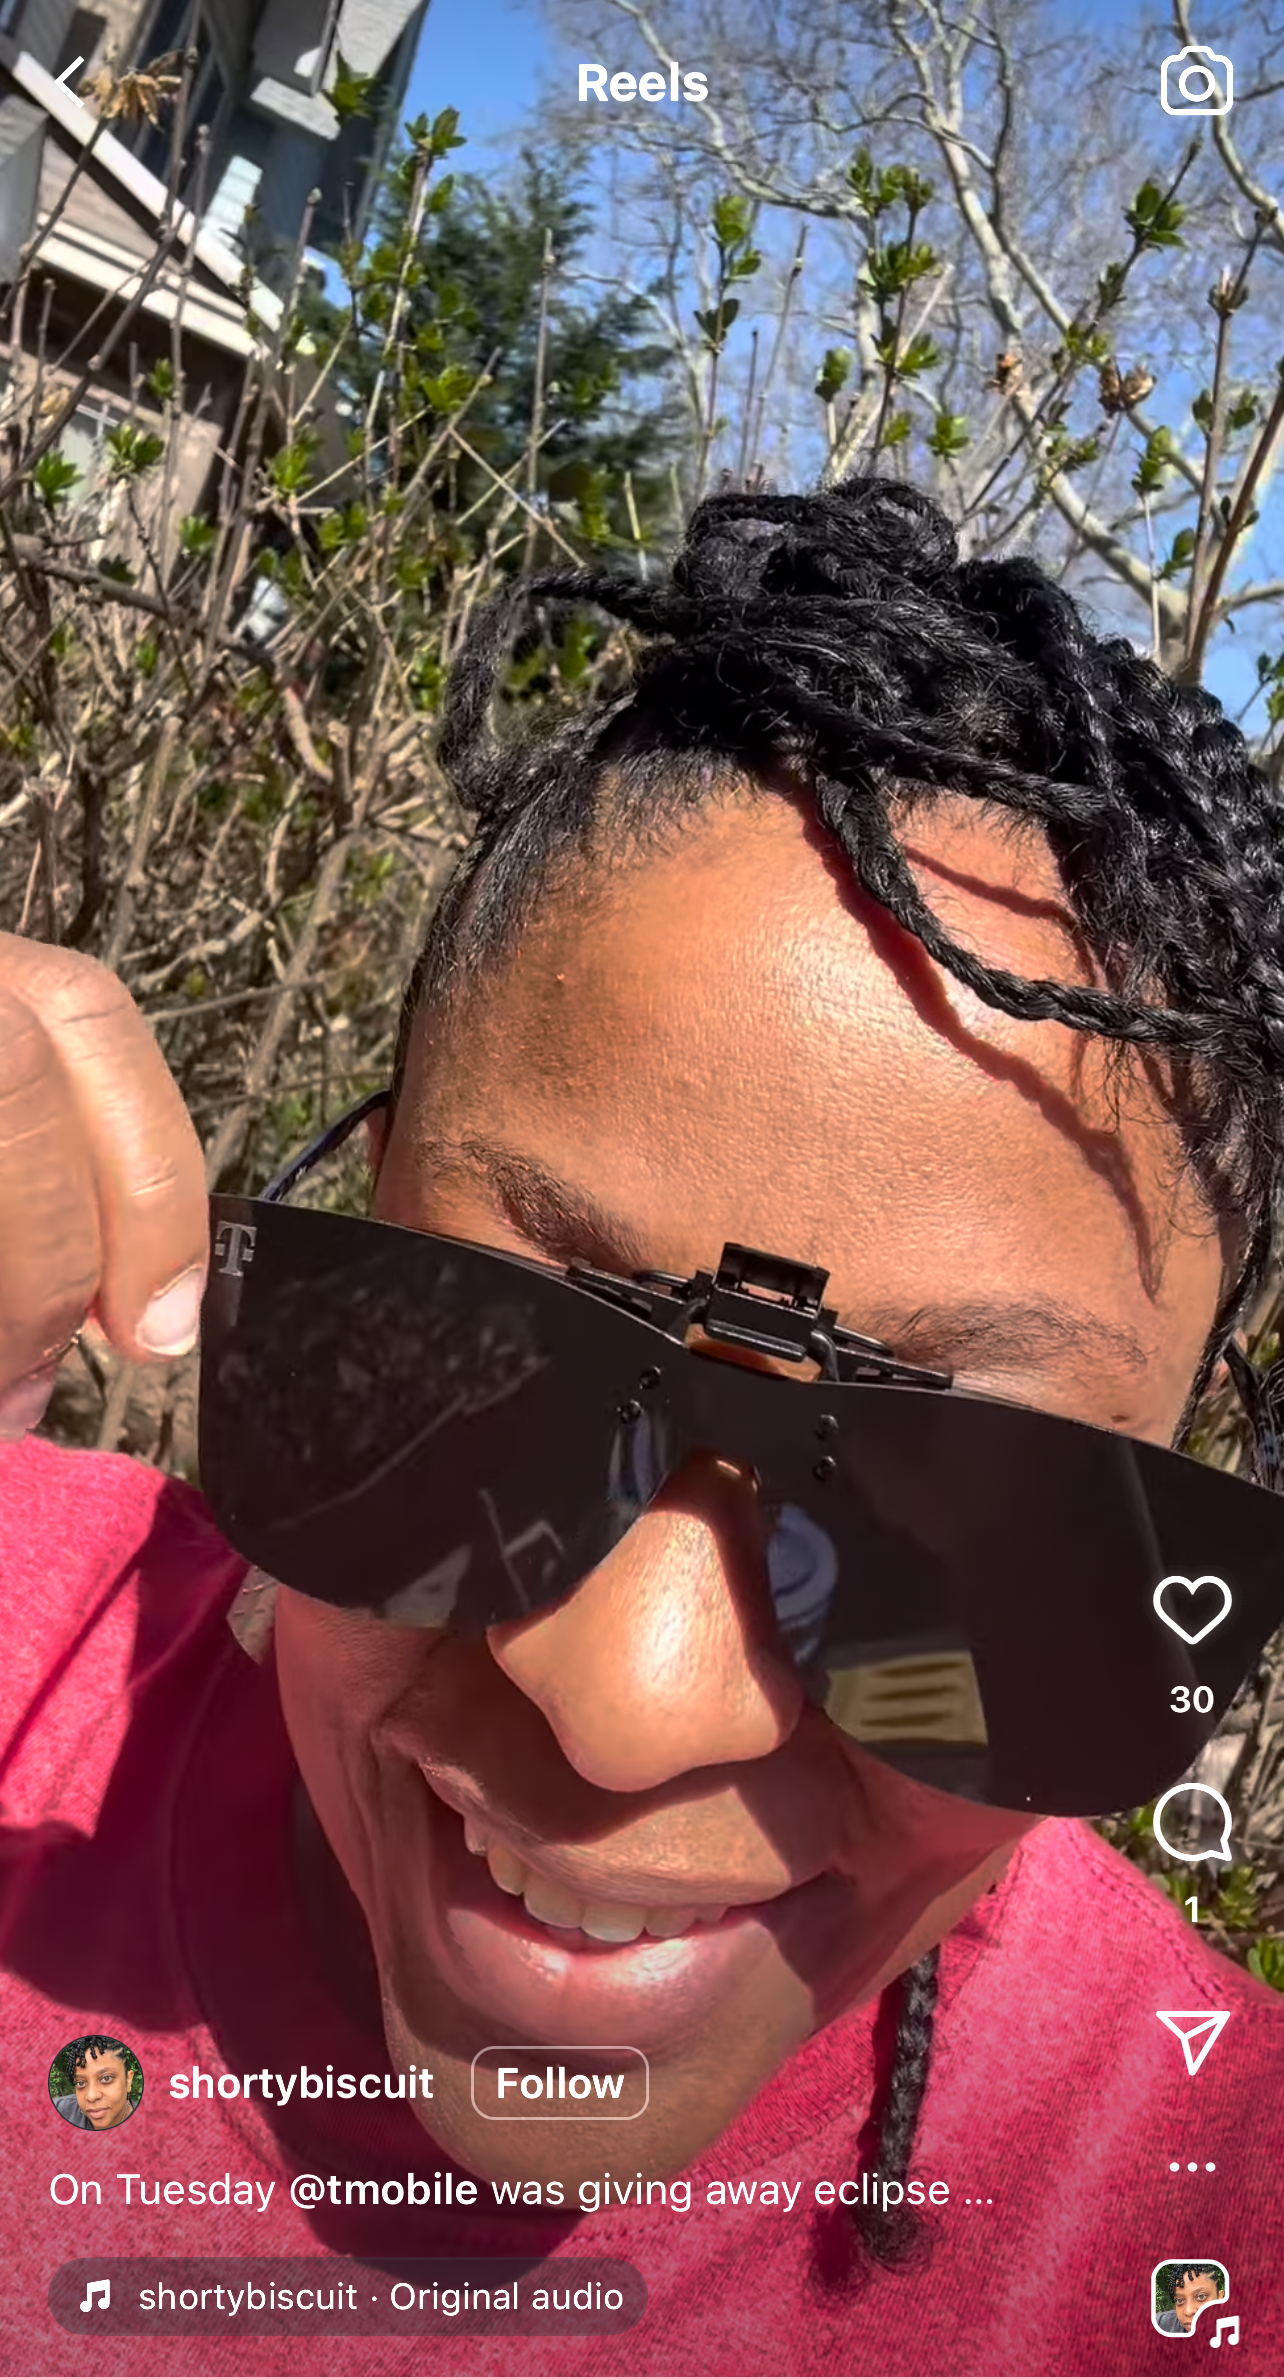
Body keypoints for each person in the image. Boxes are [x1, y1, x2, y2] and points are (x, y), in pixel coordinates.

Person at [2, 475, 1283, 2374]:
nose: (628, 1702)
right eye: (491, 1353)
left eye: (962, 1505)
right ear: (354, 1215)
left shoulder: (1208, 2207)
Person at [49, 2035, 140, 2131]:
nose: (91, 2096)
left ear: (128, 2080)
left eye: (106, 2078)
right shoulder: (59, 2110)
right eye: (80, 2083)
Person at [1155, 2262, 1228, 2334]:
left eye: (1201, 2296)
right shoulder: (1160, 2323)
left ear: (1219, 2297)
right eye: (1179, 2300)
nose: (1188, 2311)